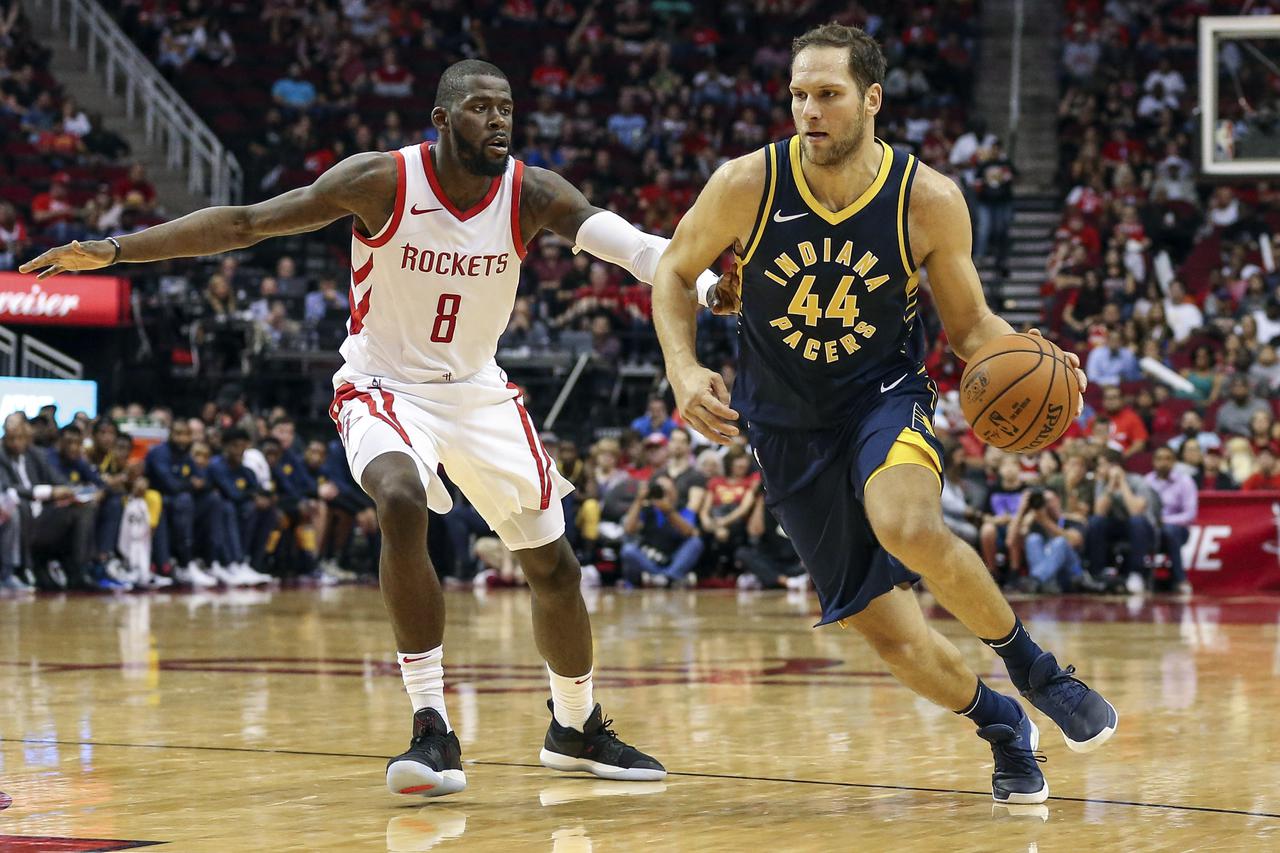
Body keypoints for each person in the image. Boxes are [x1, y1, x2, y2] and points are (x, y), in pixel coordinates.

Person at [23, 59, 739, 798]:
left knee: (554, 566)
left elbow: (632, 246)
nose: (498, 121)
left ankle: (576, 726)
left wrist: (710, 286)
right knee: (398, 495)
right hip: (380, 382)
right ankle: (431, 723)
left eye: (506, 110)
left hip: (476, 390)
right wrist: (114, 249)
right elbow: (244, 224)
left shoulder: (531, 192)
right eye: (480, 109)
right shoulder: (383, 181)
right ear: (440, 118)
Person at [652, 23, 1115, 806]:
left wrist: (1036, 349)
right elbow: (674, 269)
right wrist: (683, 365)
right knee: (887, 632)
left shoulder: (927, 198)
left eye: (827, 94)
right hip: (784, 424)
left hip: (880, 397)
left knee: (904, 522)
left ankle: (1035, 669)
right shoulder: (747, 183)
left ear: (871, 99)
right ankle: (1002, 723)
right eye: (798, 94)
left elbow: (970, 330)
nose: (809, 110)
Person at [1144, 446, 1196, 595]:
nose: (1163, 463)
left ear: (1174, 462)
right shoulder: (1147, 481)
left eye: (1168, 459)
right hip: (1151, 527)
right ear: (1153, 462)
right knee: (1137, 528)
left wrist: (1164, 520)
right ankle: (1139, 577)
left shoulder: (1185, 481)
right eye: (1159, 459)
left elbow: (1190, 514)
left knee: (1169, 531)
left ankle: (1180, 579)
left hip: (1178, 529)